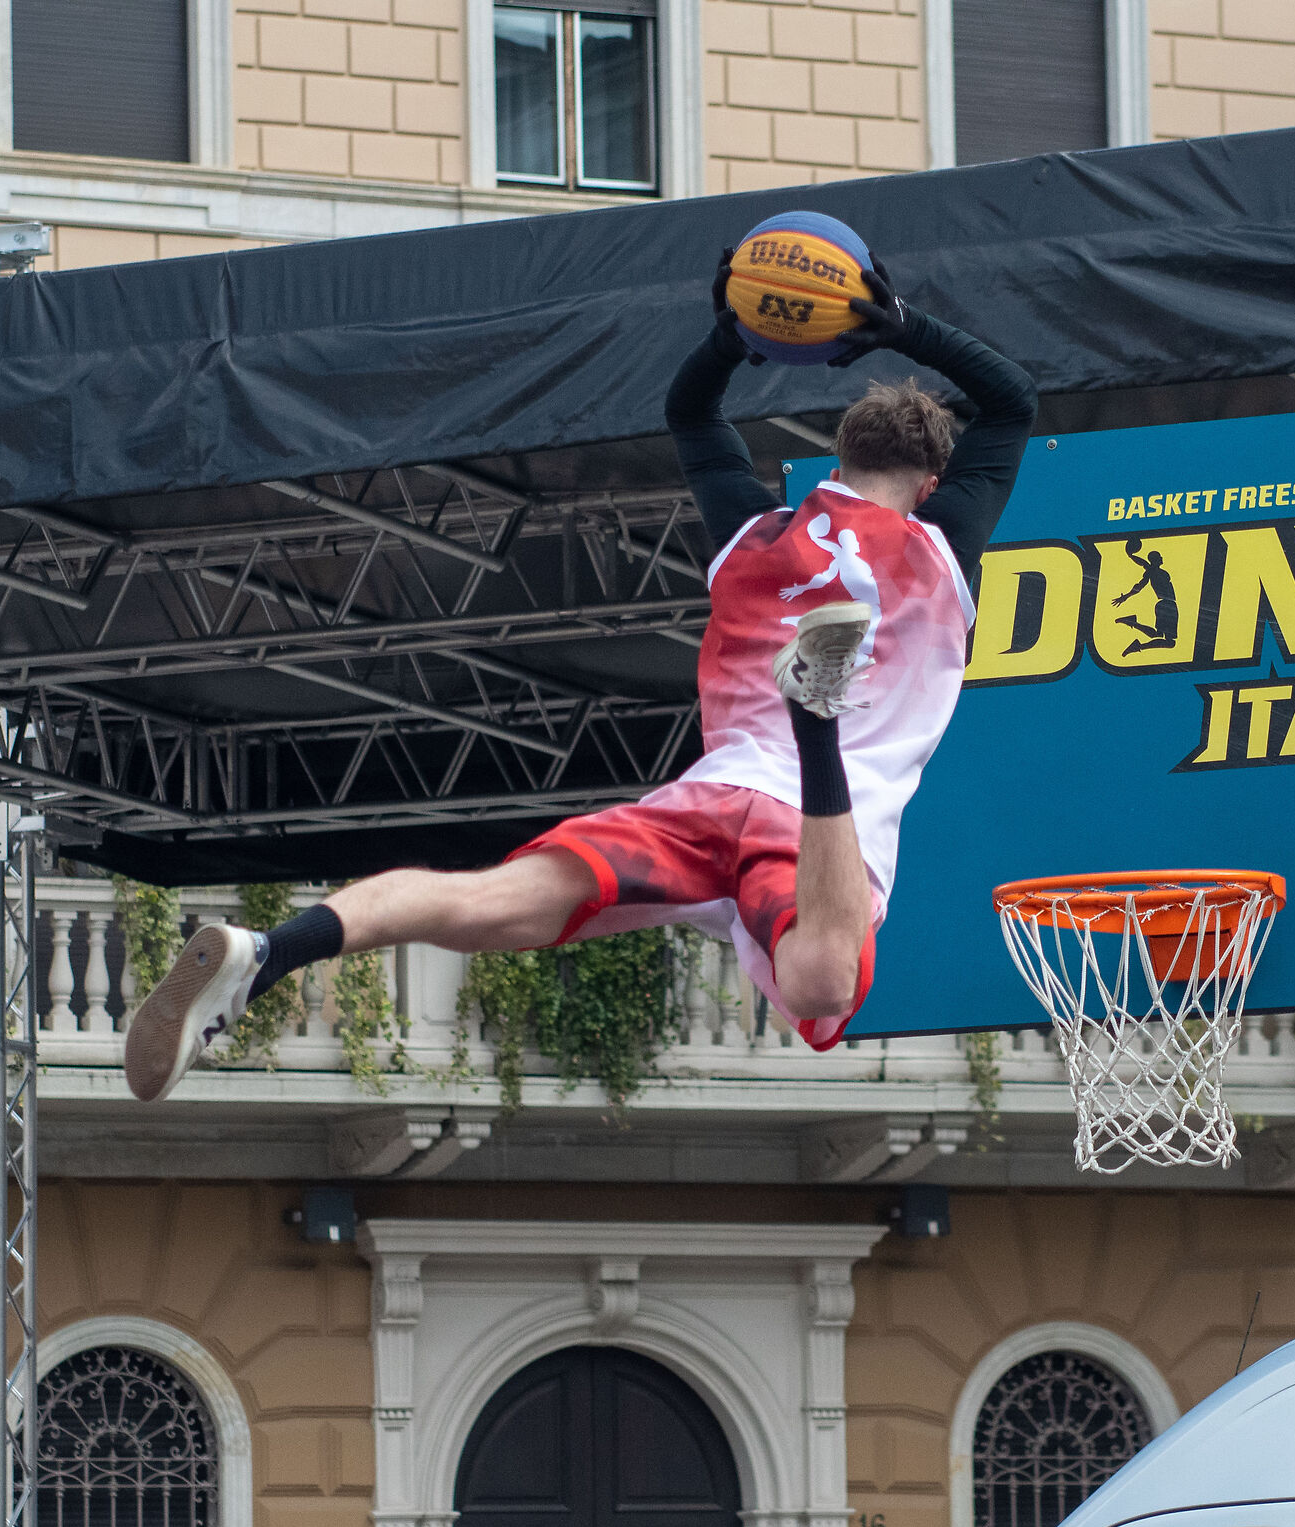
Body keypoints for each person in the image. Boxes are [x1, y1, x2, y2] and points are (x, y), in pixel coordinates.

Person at [121, 251, 1037, 1102]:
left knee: (483, 902)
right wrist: (899, 323)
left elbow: (693, 414)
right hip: (810, 827)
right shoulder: (940, 542)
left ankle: (268, 951)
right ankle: (818, 723)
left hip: (709, 798)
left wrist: (731, 334)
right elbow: (1013, 400)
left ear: (837, 460)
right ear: (930, 484)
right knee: (824, 984)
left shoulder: (751, 531)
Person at [1110, 539, 1178, 656]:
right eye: (1159, 557)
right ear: (1156, 560)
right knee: (1169, 642)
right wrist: (1126, 596)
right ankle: (1138, 643)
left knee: (1160, 636)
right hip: (1166, 605)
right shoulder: (1152, 571)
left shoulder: (1157, 571)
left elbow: (1144, 564)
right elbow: (1139, 585)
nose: (1162, 558)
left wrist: (1131, 556)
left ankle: (1133, 624)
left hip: (1169, 605)